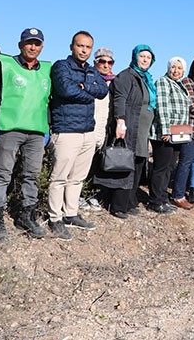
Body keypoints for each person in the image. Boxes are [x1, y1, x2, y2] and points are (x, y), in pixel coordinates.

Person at [0, 28, 50, 240]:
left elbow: (46, 101)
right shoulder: (6, 64)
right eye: (29, 43)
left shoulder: (46, 70)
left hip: (36, 132)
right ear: (21, 45)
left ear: (42, 47)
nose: (33, 47)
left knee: (32, 176)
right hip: (10, 129)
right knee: (2, 174)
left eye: (37, 43)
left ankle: (26, 216)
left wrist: (47, 127)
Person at [47, 31, 109, 238]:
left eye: (88, 47)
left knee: (77, 177)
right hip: (66, 130)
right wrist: (86, 92)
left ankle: (70, 213)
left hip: (87, 131)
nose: (83, 50)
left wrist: (84, 87)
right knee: (59, 177)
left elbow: (102, 91)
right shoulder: (61, 66)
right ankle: (55, 217)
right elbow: (65, 89)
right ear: (72, 46)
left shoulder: (92, 70)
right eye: (80, 46)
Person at [104, 45, 156, 219]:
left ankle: (130, 201)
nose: (145, 60)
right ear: (135, 57)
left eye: (148, 57)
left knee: (139, 164)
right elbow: (120, 100)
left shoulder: (146, 78)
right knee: (125, 164)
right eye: (142, 56)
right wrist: (120, 121)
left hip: (142, 130)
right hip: (129, 127)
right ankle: (118, 205)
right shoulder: (127, 76)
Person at [148, 57, 190, 214]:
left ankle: (163, 197)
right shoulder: (163, 82)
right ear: (168, 68)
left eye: (179, 68)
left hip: (178, 133)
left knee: (169, 167)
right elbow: (162, 107)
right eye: (174, 67)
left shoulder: (180, 85)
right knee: (161, 167)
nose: (176, 71)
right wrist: (165, 130)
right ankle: (155, 201)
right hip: (164, 133)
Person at [171, 57, 194, 209]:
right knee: (185, 162)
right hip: (188, 128)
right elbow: (190, 103)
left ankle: (179, 192)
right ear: (193, 68)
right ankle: (178, 195)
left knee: (188, 160)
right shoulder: (187, 82)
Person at [83, 47, 116, 213]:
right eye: (102, 61)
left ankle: (94, 195)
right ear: (95, 62)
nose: (106, 65)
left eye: (110, 62)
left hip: (104, 130)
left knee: (98, 164)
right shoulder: (88, 78)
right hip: (88, 126)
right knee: (83, 164)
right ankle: (80, 196)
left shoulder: (114, 82)